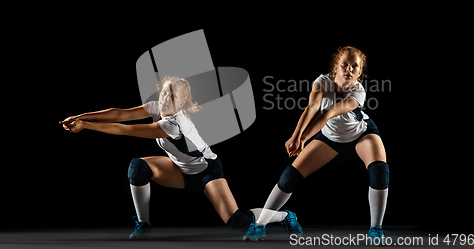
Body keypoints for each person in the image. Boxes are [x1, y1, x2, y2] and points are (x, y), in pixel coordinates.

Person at [60, 76, 300, 240]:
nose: (165, 99)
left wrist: (86, 126)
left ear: (181, 102)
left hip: (207, 170)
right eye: (164, 93)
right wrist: (80, 116)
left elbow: (125, 129)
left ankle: (284, 216)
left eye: (171, 97)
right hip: (179, 169)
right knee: (137, 168)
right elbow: (120, 113)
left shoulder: (174, 123)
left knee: (237, 220)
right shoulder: (156, 106)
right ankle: (144, 226)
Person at [242, 46, 389, 244]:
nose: (349, 69)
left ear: (360, 72)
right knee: (289, 176)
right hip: (330, 137)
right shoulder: (322, 82)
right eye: (344, 64)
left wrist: (303, 138)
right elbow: (313, 107)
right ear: (335, 67)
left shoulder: (358, 92)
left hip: (361, 133)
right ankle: (260, 225)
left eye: (355, 66)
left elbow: (327, 113)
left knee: (379, 170)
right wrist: (297, 136)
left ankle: (376, 229)